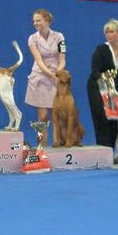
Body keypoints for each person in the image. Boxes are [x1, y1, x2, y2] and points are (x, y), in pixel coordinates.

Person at [86, 19, 118, 148]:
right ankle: (102, 148)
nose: (108, 35)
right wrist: (105, 80)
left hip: (113, 88)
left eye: (111, 32)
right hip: (97, 86)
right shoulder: (101, 49)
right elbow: (95, 71)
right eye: (106, 32)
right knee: (101, 118)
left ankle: (111, 149)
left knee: (113, 118)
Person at [24, 9, 66, 143]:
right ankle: (41, 148)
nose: (35, 23)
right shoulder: (32, 39)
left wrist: (58, 73)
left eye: (38, 20)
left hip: (56, 77)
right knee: (42, 118)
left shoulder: (59, 37)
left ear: (47, 21)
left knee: (56, 116)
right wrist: (52, 75)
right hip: (40, 78)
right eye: (34, 21)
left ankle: (57, 145)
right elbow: (39, 61)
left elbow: (62, 59)